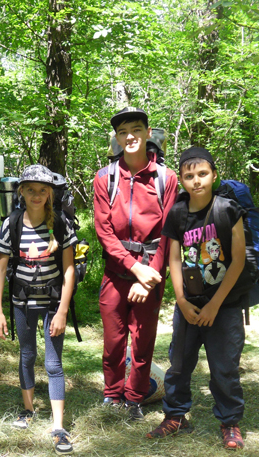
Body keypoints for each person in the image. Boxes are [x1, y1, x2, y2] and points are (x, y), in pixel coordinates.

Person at [147, 147, 247, 449]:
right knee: (178, 364)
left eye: (203, 174)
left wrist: (215, 305)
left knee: (224, 368)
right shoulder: (178, 212)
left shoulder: (228, 209)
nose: (197, 180)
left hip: (225, 307)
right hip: (188, 306)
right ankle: (175, 416)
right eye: (189, 176)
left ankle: (230, 422)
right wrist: (181, 301)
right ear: (182, 180)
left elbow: (238, 260)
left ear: (214, 175)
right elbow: (174, 259)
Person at [93, 107, 178, 420]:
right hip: (116, 273)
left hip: (151, 273)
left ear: (148, 133)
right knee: (113, 341)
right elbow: (104, 231)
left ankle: (134, 399)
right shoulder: (105, 178)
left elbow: (168, 232)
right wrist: (134, 267)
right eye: (123, 132)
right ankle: (112, 395)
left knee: (142, 343)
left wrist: (149, 275)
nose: (130, 137)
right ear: (117, 138)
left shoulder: (166, 178)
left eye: (136, 129)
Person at [0, 165, 77, 454]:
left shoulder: (61, 223)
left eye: (42, 190)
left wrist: (63, 310)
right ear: (21, 192)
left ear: (50, 193)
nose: (36, 195)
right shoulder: (12, 223)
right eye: (30, 190)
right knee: (26, 355)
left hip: (52, 303)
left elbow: (68, 269)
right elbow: (0, 268)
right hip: (22, 302)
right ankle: (28, 410)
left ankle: (58, 426)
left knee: (53, 363)